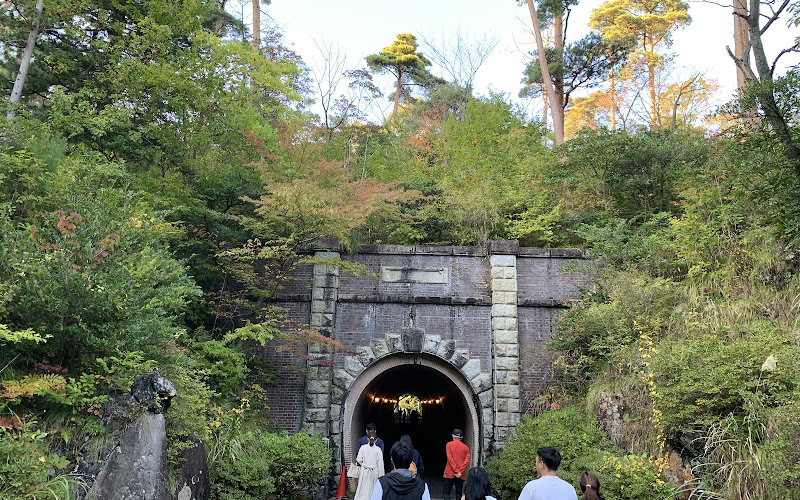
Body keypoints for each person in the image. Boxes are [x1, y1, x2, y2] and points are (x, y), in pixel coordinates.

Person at [354, 432, 385, 500]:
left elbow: (358, 459)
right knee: (372, 489)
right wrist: (381, 476)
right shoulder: (378, 450)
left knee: (363, 489)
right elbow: (380, 465)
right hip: (374, 471)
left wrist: (363, 464)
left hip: (364, 471)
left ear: (368, 439)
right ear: (376, 441)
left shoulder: (363, 448)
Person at [443, 428, 470, 500]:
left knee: (446, 492)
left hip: (449, 472)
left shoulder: (448, 445)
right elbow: (466, 461)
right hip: (460, 475)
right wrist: (460, 471)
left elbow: (450, 458)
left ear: (453, 436)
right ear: (461, 437)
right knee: (459, 492)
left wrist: (455, 470)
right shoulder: (466, 447)